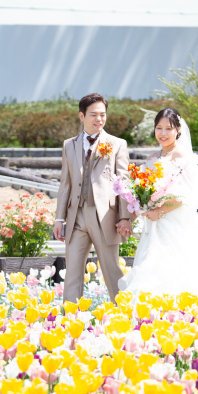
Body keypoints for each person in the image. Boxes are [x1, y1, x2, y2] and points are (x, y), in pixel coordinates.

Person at [118, 108, 198, 297]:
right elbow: (141, 194)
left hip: (176, 224)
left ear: (178, 130)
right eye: (159, 128)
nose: (163, 133)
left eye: (168, 128)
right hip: (152, 225)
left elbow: (192, 194)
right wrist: (131, 217)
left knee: (177, 270)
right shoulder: (152, 158)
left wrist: (161, 210)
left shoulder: (182, 156)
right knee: (152, 269)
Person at [53, 93, 134, 303]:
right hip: (76, 217)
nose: (99, 119)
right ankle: (70, 321)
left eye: (103, 115)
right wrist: (59, 219)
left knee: (112, 271)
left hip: (106, 216)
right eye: (93, 115)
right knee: (72, 272)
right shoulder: (68, 145)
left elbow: (124, 183)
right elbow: (65, 184)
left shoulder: (117, 144)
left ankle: (124, 316)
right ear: (81, 116)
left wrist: (126, 217)